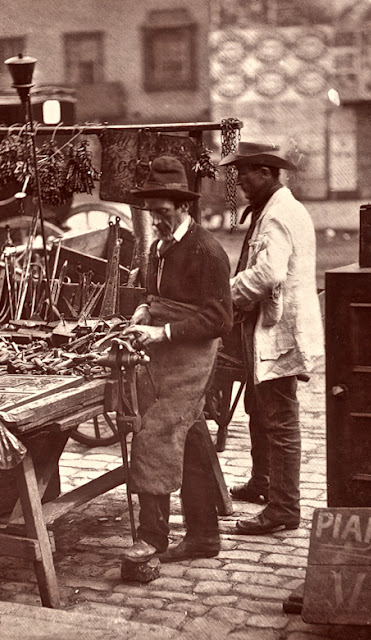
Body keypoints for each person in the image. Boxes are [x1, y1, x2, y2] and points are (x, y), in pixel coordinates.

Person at [121, 156, 232, 563]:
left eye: (163, 212)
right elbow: (158, 295)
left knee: (155, 432)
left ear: (183, 206)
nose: (156, 220)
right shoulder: (159, 246)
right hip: (165, 352)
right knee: (190, 439)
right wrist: (144, 310)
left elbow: (219, 319)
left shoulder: (207, 251)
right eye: (151, 212)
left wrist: (162, 332)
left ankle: (152, 536)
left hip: (193, 354)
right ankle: (204, 536)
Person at [219, 142, 324, 534]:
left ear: (264, 172)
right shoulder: (275, 207)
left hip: (278, 331)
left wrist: (222, 295)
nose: (240, 182)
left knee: (278, 418)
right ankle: (263, 482)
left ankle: (283, 508)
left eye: (244, 174)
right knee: (259, 408)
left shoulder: (279, 214)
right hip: (269, 327)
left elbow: (268, 275)